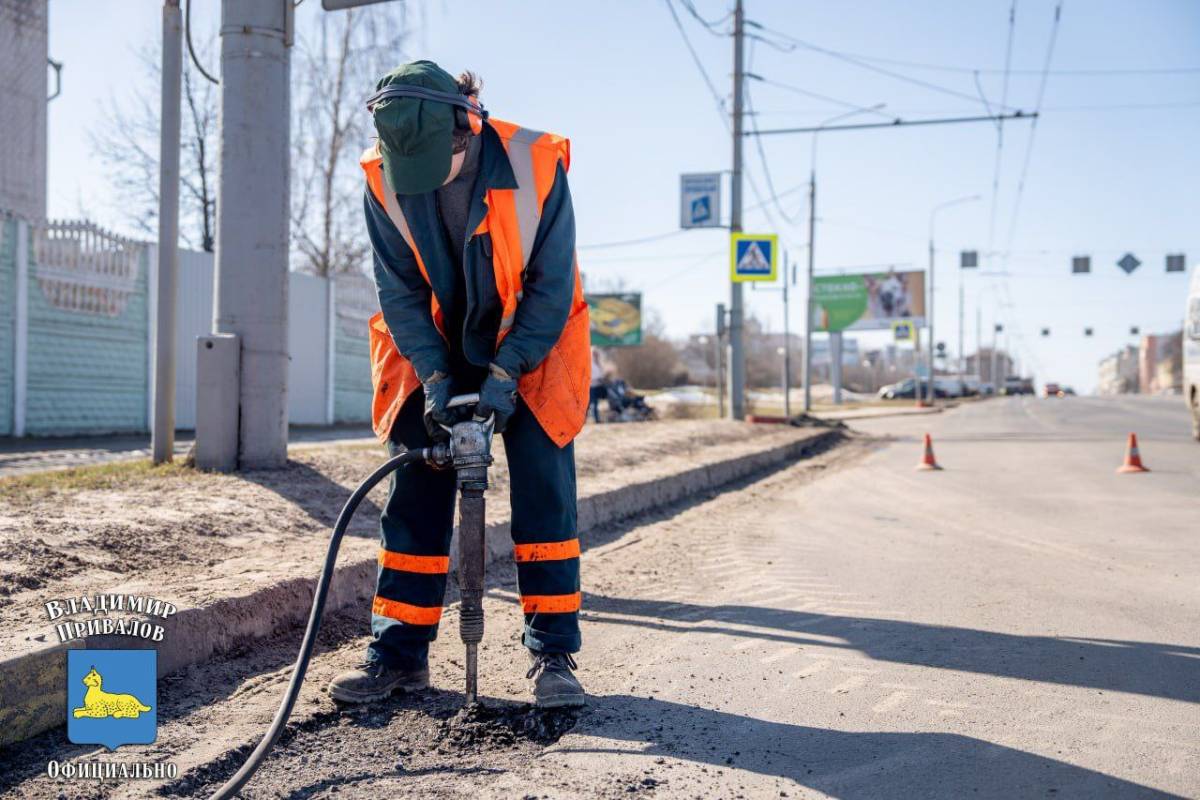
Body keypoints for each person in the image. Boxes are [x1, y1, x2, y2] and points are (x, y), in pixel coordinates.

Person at [328, 61, 590, 708]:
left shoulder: (537, 166)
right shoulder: (383, 178)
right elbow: (401, 293)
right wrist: (439, 382)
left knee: (543, 490)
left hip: (532, 338)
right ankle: (398, 654)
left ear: (466, 125)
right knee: (413, 494)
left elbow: (551, 289)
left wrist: (503, 379)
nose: (411, 182)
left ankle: (553, 654)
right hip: (434, 345)